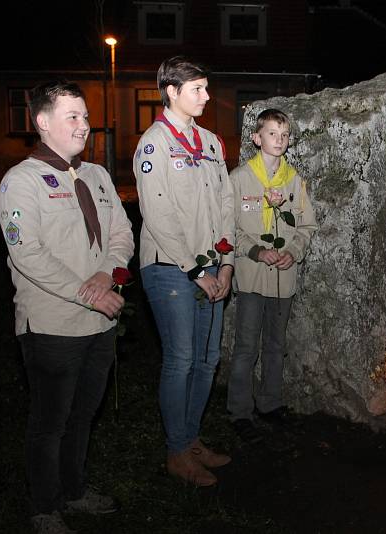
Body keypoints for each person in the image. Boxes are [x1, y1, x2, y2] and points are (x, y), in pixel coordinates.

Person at [0, 81, 134, 533]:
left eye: (86, 116)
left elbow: (121, 235)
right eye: (72, 116)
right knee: (49, 422)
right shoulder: (21, 182)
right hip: (53, 326)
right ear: (42, 122)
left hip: (100, 321)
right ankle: (45, 508)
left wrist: (109, 273)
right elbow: (27, 254)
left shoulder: (96, 176)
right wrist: (88, 291)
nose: (84, 125)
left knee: (83, 415)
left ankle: (74, 492)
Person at [134, 56, 234, 486]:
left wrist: (226, 263)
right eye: (198, 89)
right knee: (181, 359)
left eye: (207, 88)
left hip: (212, 266)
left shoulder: (210, 142)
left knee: (208, 360)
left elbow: (226, 203)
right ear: (171, 91)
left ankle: (191, 439)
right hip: (171, 269)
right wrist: (198, 271)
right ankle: (177, 451)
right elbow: (157, 215)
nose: (207, 96)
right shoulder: (154, 144)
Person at [227, 109, 317, 443]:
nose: (278, 140)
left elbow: (307, 225)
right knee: (247, 345)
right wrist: (256, 251)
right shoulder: (239, 179)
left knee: (276, 345)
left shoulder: (294, 181)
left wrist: (292, 250)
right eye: (271, 133)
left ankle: (270, 402)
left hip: (283, 277)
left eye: (284, 135)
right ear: (256, 138)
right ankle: (239, 411)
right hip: (252, 276)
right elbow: (230, 227)